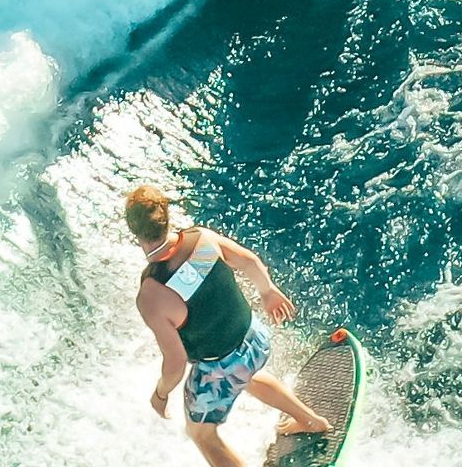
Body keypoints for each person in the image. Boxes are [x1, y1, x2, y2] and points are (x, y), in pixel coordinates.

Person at [126, 183, 331, 466]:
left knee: (202, 433)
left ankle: (307, 420)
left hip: (220, 366)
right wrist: (268, 291)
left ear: (135, 233)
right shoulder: (202, 239)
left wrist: (161, 393)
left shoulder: (151, 295)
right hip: (254, 339)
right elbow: (249, 262)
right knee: (245, 376)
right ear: (166, 217)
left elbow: (175, 362)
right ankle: (311, 421)